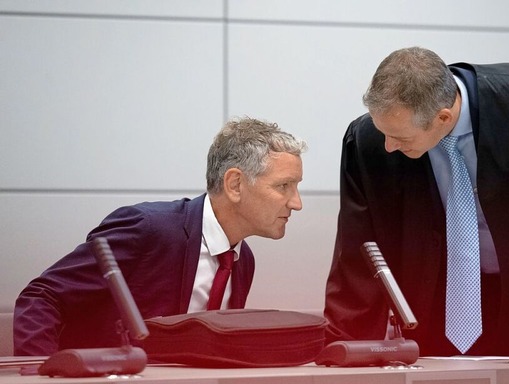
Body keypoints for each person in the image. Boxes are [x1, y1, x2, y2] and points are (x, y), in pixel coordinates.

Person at [323, 47, 509, 357]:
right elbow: (356, 250)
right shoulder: (368, 140)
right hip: (434, 306)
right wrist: (347, 348)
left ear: (443, 117)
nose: (388, 146)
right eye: (383, 132)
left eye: (401, 138)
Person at [14, 116, 307, 356]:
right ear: (234, 184)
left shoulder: (243, 261)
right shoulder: (147, 229)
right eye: (284, 186)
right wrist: (37, 374)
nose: (297, 202)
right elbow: (42, 297)